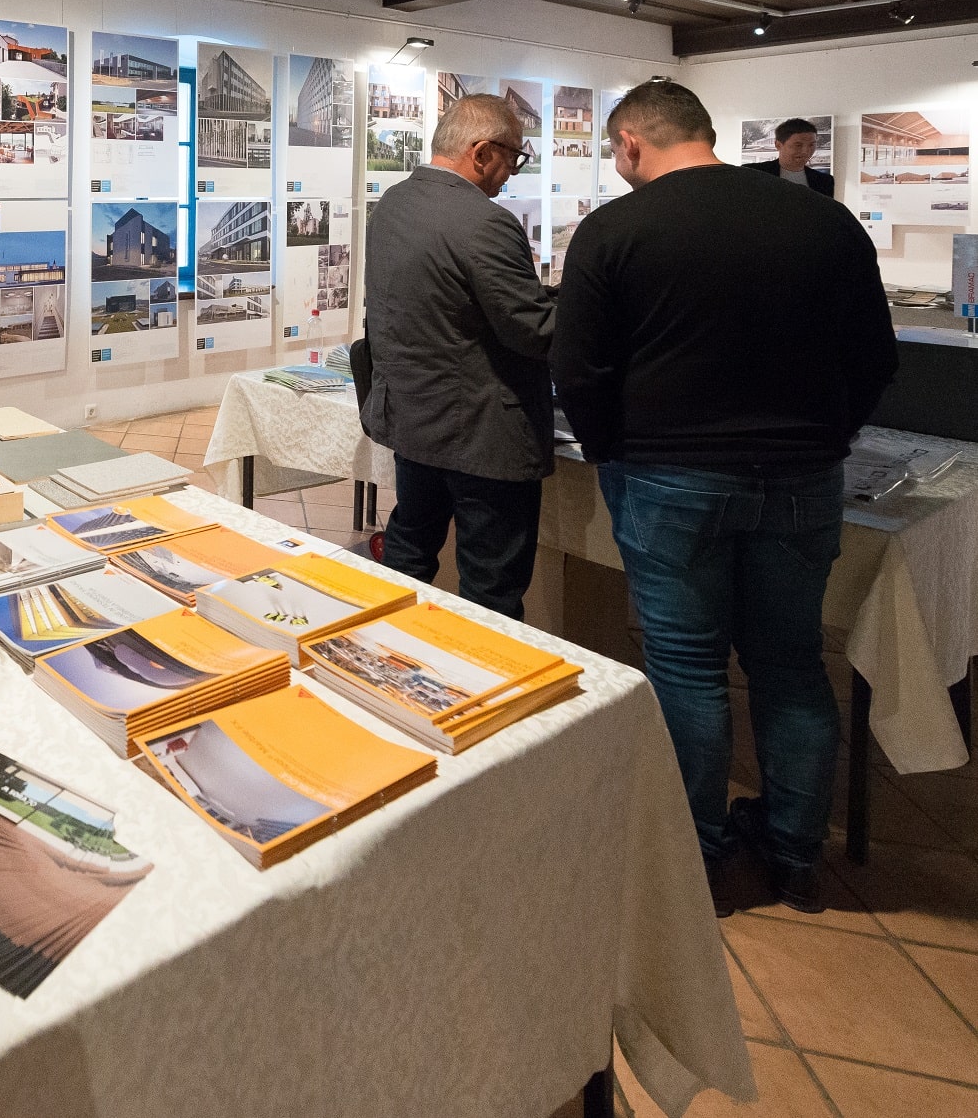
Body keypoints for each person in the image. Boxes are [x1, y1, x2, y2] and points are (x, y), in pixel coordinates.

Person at [552, 81, 896, 914]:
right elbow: (876, 357)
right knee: (791, 664)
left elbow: (579, 368)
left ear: (631, 143)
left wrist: (607, 448)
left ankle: (696, 856)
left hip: (669, 476)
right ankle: (796, 856)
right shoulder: (824, 222)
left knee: (686, 668)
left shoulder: (615, 230)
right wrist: (825, 434)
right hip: (802, 477)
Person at [361, 93, 555, 621]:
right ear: (482, 152)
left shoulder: (393, 203)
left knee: (408, 552)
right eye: (514, 158)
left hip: (414, 421)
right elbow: (533, 330)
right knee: (491, 588)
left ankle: (388, 653)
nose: (511, 175)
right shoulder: (485, 221)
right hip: (483, 435)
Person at [743, 117, 834, 196]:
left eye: (811, 145)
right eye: (798, 145)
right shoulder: (752, 173)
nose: (806, 151)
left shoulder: (824, 181)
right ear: (778, 145)